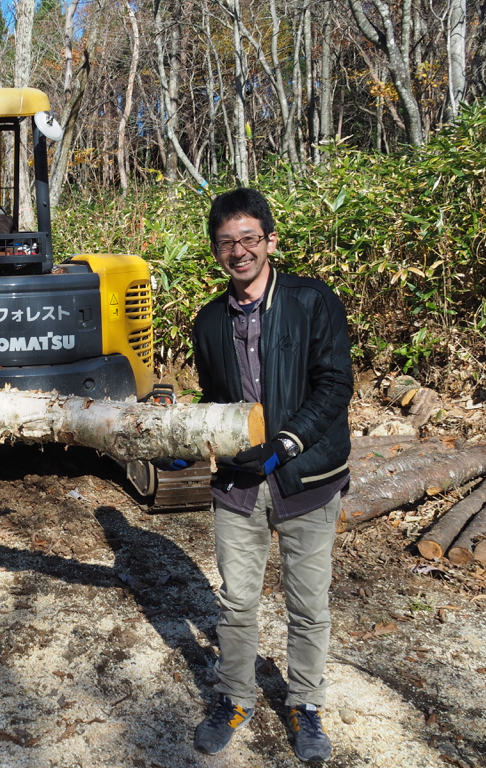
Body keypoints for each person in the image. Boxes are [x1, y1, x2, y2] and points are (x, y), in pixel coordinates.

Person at [190, 188, 352, 763]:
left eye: (249, 239)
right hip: (240, 485)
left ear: (270, 242)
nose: (239, 252)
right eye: (227, 242)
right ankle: (235, 696)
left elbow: (334, 385)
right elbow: (214, 399)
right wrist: (192, 440)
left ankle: (305, 705)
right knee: (236, 604)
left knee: (308, 605)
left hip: (307, 478)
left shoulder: (313, 301)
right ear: (217, 251)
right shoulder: (208, 322)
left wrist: (283, 446)